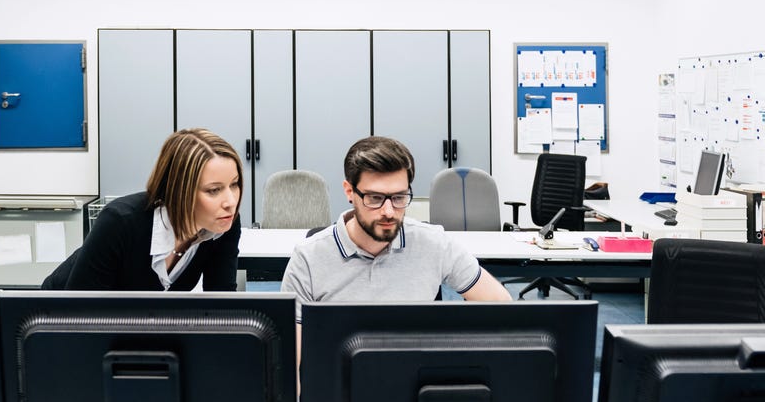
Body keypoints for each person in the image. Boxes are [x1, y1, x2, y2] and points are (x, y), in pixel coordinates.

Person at [282, 134, 511, 315]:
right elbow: (293, 360)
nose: (389, 212)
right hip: (340, 375)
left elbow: (503, 306)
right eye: (375, 198)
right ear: (350, 191)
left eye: (399, 197)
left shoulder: (433, 243)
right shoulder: (308, 259)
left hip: (415, 373)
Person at [42, 128, 243, 291]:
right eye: (214, 190)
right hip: (57, 322)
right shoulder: (119, 221)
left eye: (234, 184)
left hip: (134, 329)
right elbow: (81, 315)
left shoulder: (223, 224)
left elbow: (222, 302)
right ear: (179, 190)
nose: (230, 201)